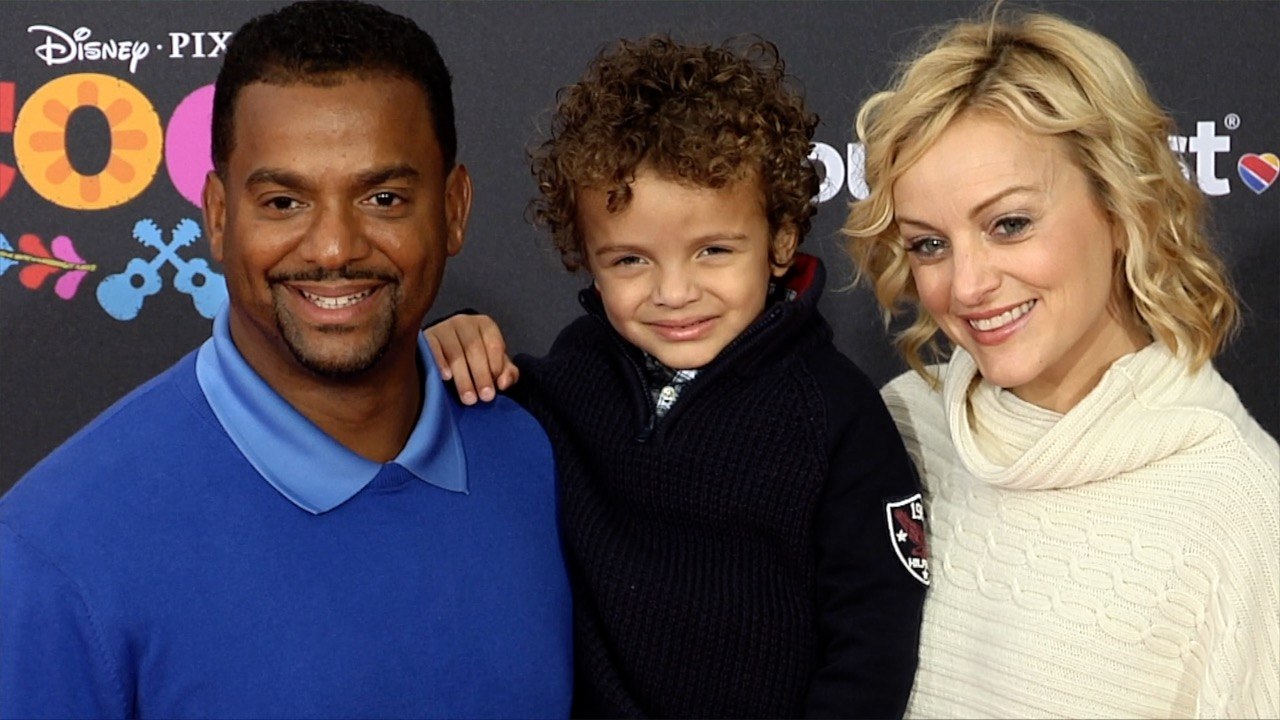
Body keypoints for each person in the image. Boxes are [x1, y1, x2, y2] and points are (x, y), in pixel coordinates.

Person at [0, 2, 571, 717]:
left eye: (384, 197)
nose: (333, 248)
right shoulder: (55, 552)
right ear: (216, 216)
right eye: (282, 202)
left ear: (454, 209)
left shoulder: (536, 458)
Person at [428, 35, 927, 718]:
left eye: (713, 251)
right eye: (631, 261)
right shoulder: (568, 379)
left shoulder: (836, 413)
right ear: (586, 258)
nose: (674, 292)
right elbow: (471, 396)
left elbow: (873, 636)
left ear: (781, 240)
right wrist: (453, 337)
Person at [842, 9, 1279, 719]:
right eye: (929, 245)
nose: (968, 284)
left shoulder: (1238, 511)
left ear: (1121, 207)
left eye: (1009, 224)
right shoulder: (894, 432)